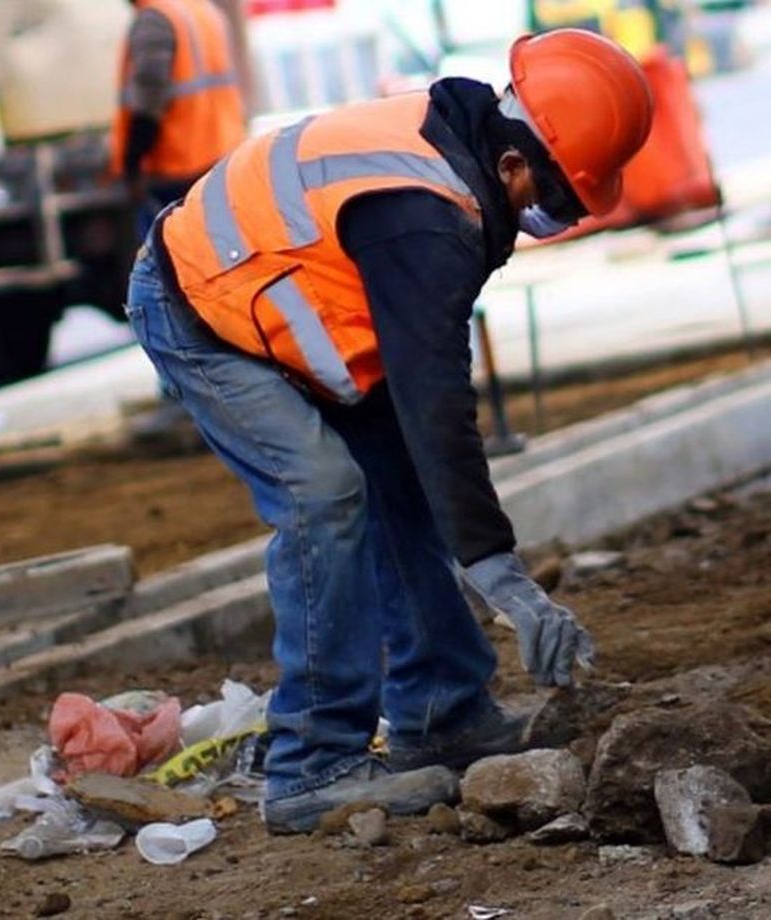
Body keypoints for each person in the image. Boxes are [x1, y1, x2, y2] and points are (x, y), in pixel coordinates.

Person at [124, 30, 652, 832]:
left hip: (289, 306)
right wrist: (505, 578)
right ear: (514, 165)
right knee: (324, 493)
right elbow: (438, 402)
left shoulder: (454, 154)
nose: (540, 221)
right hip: (201, 308)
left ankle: (443, 712)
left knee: (396, 482)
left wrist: (483, 552)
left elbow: (423, 415)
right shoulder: (426, 218)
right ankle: (311, 763)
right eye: (550, 201)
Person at [111, 0, 246, 242]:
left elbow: (150, 96)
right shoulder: (202, 9)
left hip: (177, 168)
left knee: (171, 265)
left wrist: (132, 162)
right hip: (221, 158)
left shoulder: (156, 18)